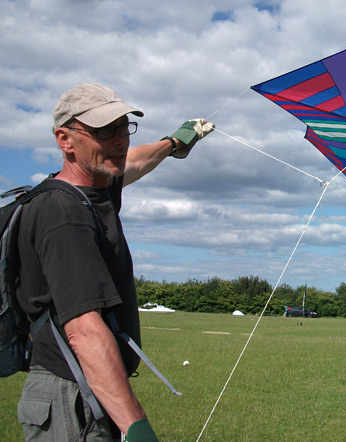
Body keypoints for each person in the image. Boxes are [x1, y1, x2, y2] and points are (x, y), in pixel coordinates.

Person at [14, 83, 214, 441]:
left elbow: (136, 161)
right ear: (65, 139)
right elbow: (84, 331)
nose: (120, 139)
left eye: (124, 127)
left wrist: (175, 142)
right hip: (71, 397)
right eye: (105, 130)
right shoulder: (64, 215)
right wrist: (137, 429)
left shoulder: (98, 184)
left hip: (91, 387)